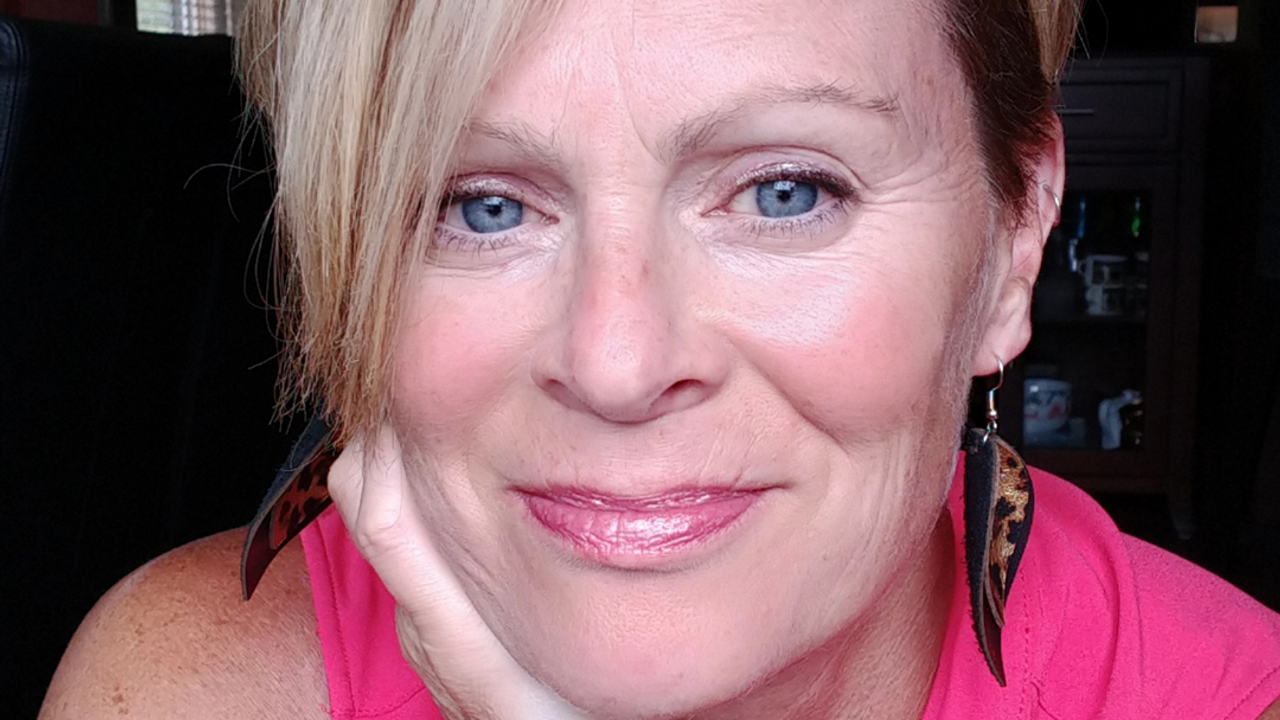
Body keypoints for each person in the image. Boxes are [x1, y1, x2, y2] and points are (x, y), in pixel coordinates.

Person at [38, 0, 1280, 717]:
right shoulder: (198, 686)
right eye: (478, 205)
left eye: (785, 191)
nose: (617, 363)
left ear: (1012, 241)